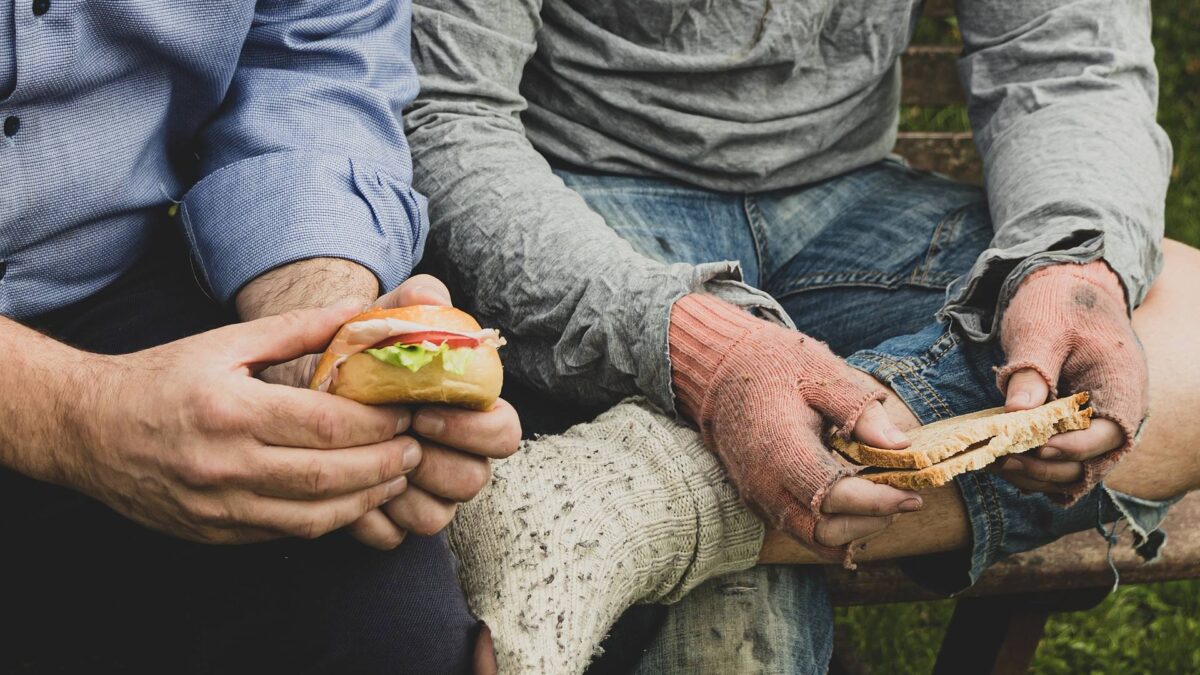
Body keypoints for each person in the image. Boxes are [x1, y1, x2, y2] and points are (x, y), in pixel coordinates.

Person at [404, 0, 1200, 671]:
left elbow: (1064, 57)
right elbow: (443, 108)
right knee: (743, 616)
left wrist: (1072, 273)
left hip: (848, 204)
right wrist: (707, 353)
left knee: (1185, 328)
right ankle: (704, 475)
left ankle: (627, 499)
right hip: (574, 191)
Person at [0, 2, 517, 672]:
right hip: (79, 386)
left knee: (392, 632)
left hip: (110, 282)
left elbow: (311, 51)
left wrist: (316, 348)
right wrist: (73, 415)